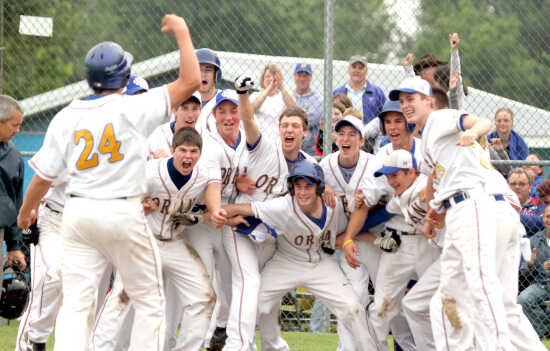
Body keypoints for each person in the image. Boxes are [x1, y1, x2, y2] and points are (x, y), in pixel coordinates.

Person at [16, 14, 200, 351]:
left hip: (77, 215)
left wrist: (26, 211)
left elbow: (43, 178)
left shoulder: (66, 116)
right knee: (148, 299)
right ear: (124, 76)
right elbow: (190, 81)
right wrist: (183, 34)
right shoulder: (132, 108)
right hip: (120, 213)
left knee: (76, 304)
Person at [389, 76, 513, 350]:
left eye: (411, 99)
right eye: (402, 101)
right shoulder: (425, 141)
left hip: (472, 203)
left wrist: (473, 133)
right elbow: (433, 180)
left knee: (480, 282)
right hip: (454, 212)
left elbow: (481, 122)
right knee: (442, 299)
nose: (406, 105)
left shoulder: (440, 118)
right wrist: (432, 214)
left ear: (427, 101)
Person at [223, 160, 378, 350]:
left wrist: (351, 240)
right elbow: (242, 208)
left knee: (353, 308)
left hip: (321, 264)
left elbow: (350, 228)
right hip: (286, 262)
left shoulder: (333, 205)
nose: (303, 192)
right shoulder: (282, 206)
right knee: (252, 305)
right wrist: (222, 215)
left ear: (319, 187)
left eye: (308, 186)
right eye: (298, 186)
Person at [0, 95, 26, 281]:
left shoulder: (13, 156)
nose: (18, 130)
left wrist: (14, 246)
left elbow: (16, 201)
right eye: (14, 125)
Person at [518, 205, 550, 338]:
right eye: (548, 216)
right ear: (543, 219)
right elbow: (524, 274)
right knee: (523, 299)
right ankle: (546, 332)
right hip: (541, 284)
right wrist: (530, 264)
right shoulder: (534, 240)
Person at [333, 55, 385, 124]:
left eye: (361, 68)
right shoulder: (338, 93)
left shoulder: (377, 93)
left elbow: (384, 116)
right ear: (348, 69)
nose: (357, 71)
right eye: (354, 67)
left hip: (370, 134)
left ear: (366, 70)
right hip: (344, 132)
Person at [250, 64, 297, 141]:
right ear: (263, 79)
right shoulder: (255, 95)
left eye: (274, 77)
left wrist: (281, 85)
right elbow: (250, 109)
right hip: (260, 140)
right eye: (267, 76)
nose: (271, 79)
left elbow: (294, 109)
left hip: (279, 140)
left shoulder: (284, 95)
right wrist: (269, 89)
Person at [148, 91, 202, 157]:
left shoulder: (207, 138)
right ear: (174, 110)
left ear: (200, 111)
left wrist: (167, 162)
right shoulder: (156, 136)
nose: (190, 115)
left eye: (195, 109)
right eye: (185, 108)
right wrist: (158, 163)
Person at [292, 63, 323, 156]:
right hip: (289, 148)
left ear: (310, 77)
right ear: (294, 76)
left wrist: (294, 115)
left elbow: (311, 121)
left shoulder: (319, 99)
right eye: (299, 75)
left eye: (305, 75)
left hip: (310, 151)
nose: (302, 79)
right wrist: (303, 114)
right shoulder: (289, 95)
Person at [508, 168, 545, 237]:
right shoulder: (502, 204)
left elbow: (541, 222)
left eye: (522, 184)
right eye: (513, 184)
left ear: (530, 187)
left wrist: (511, 216)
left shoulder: (539, 204)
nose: (517, 187)